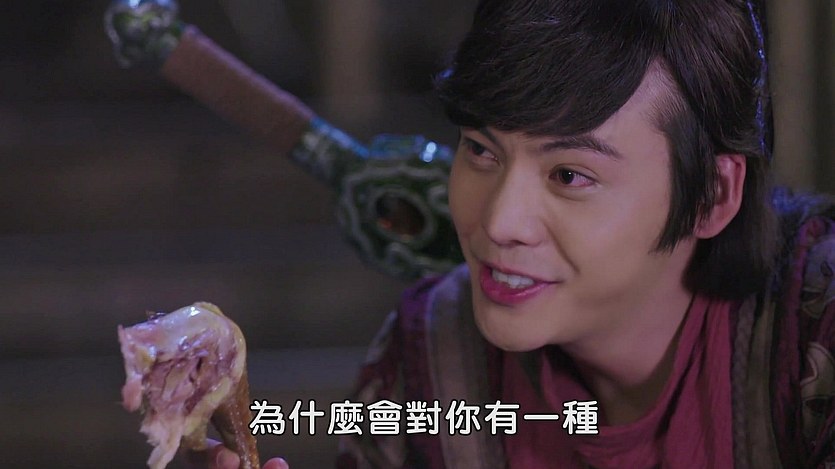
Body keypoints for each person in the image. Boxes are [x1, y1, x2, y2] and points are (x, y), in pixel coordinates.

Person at [192, 0, 835, 467]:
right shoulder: (432, 360)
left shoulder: (814, 327)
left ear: (712, 196)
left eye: (569, 175)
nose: (499, 222)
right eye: (481, 149)